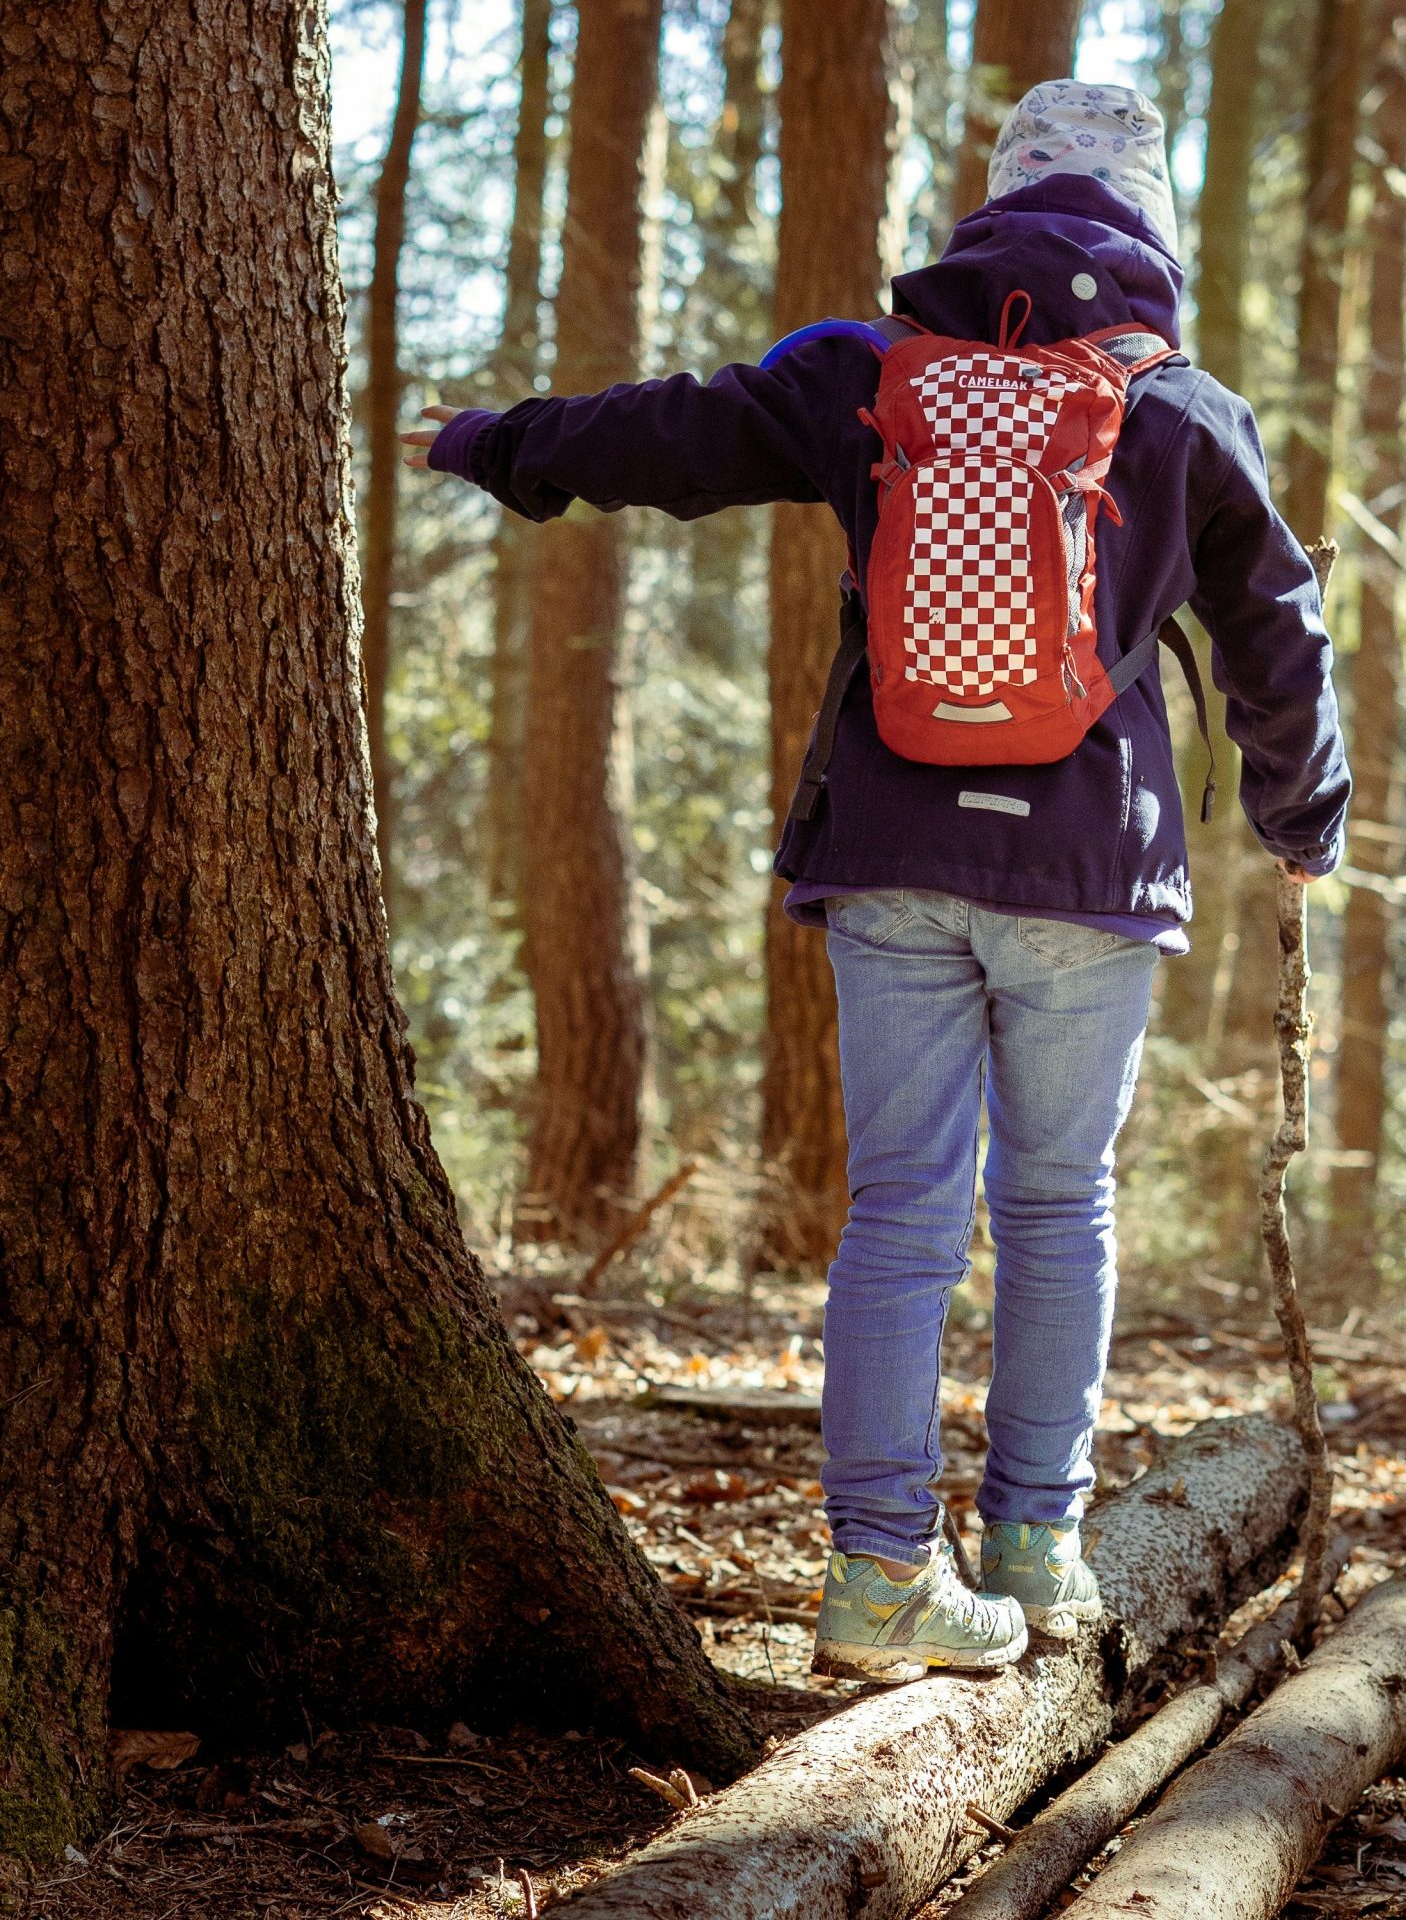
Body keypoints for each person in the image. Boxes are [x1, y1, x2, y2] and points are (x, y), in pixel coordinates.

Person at [405, 82, 1348, 1683]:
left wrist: (500, 445)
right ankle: (1042, 1547)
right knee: (1059, 1206)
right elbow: (1280, 631)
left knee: (901, 1213)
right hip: (1090, 869)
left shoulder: (866, 372)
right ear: (1150, 225)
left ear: (996, 206)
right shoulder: (1184, 407)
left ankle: (878, 1574)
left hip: (890, 850)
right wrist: (1299, 815)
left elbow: (673, 430)